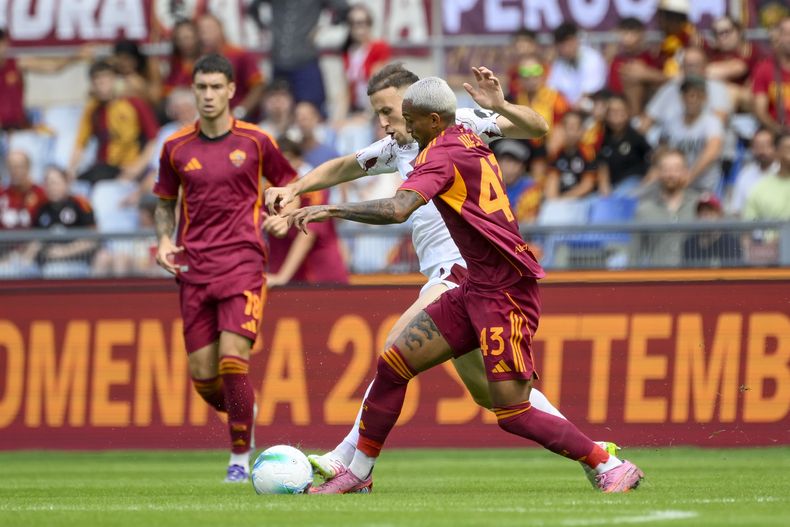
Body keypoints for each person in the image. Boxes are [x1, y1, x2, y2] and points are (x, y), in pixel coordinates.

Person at [265, 63, 622, 490]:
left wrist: (502, 104)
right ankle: (595, 453)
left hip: (464, 269)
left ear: (418, 104)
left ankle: (348, 461)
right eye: (378, 112)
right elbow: (346, 166)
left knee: (396, 351)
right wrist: (296, 188)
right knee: (495, 397)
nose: (384, 121)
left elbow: (537, 127)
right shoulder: (402, 145)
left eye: (389, 110)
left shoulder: (463, 125)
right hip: (460, 277)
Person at [152, 54, 297, 482]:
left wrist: (282, 213)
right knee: (203, 376)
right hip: (194, 268)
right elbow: (164, 203)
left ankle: (238, 457)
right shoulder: (174, 148)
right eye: (202, 88)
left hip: (244, 263)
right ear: (193, 91)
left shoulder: (255, 141)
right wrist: (164, 238)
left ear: (232, 90)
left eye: (217, 87)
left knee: (234, 361)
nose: (210, 95)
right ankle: (242, 408)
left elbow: (292, 187)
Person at [266, 137, 348, 286]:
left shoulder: (315, 192)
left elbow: (306, 237)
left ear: (299, 161)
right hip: (282, 280)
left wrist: (282, 277)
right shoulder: (267, 194)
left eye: (288, 160)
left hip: (324, 279)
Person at [69, 60, 159, 184]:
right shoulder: (92, 109)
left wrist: (137, 167)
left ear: (115, 80)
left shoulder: (134, 103)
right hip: (103, 167)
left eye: (105, 81)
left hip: (130, 165)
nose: (102, 87)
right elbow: (80, 143)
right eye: (97, 82)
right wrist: (71, 170)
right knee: (78, 184)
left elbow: (153, 139)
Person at [654, 75, 724, 193]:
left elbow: (712, 151)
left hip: (704, 187)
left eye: (697, 95)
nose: (692, 99)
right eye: (688, 95)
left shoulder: (712, 122)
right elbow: (662, 152)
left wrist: (689, 177)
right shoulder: (671, 122)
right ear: (681, 97)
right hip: (672, 184)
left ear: (704, 98)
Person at [634, 150, 700, 267]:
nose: (671, 174)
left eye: (676, 169)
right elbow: (634, 253)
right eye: (666, 169)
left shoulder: (700, 205)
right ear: (658, 173)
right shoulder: (644, 210)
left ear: (685, 172)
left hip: (694, 278)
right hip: (658, 279)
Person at [196, 14, 265, 121]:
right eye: (201, 31)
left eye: (209, 29)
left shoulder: (240, 54)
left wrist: (240, 111)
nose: (205, 34)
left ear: (221, 29)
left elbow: (258, 86)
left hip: (240, 117)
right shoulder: (198, 59)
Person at [597, 94, 652, 196]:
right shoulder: (602, 137)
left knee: (619, 195)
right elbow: (602, 163)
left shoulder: (636, 136)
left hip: (633, 181)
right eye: (612, 111)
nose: (616, 114)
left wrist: (647, 181)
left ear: (627, 113)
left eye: (620, 111)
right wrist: (603, 184)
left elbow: (651, 157)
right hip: (612, 184)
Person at [342, 3, 391, 116]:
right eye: (352, 23)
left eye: (360, 23)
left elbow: (377, 86)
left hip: (373, 111)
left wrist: (367, 116)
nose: (356, 28)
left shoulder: (379, 47)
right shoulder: (349, 52)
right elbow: (346, 90)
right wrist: (340, 118)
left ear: (369, 24)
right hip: (355, 109)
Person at [546, 22, 607, 111]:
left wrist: (572, 109)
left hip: (590, 105)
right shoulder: (558, 63)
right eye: (561, 45)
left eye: (568, 43)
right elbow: (552, 89)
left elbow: (590, 91)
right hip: (568, 110)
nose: (566, 48)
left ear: (576, 40)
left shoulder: (592, 57)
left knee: (588, 104)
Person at [727, 128, 778, 216]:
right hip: (749, 226)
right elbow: (736, 209)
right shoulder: (745, 174)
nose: (762, 151)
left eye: (765, 146)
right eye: (757, 146)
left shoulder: (783, 172)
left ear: (774, 147)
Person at [752, 16, 790, 134]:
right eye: (787, 34)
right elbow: (760, 111)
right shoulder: (764, 68)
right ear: (778, 38)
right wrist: (778, 131)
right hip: (778, 134)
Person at [683, 194, 742, 267]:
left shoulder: (730, 242)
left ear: (719, 215)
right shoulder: (690, 243)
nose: (705, 217)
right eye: (702, 213)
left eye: (710, 212)